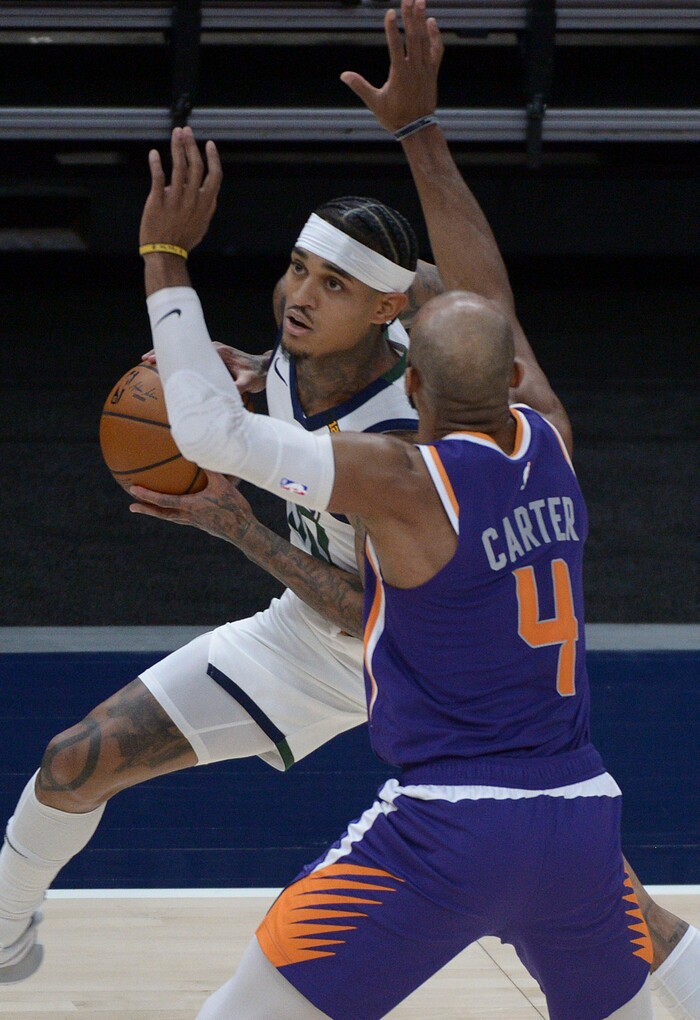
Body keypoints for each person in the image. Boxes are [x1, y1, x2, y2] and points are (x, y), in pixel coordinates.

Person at [0, 4, 696, 1015]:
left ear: (393, 325)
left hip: (389, 645)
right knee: (78, 758)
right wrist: (418, 135)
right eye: (297, 271)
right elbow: (481, 290)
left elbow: (347, 592)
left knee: (601, 896)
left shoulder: (405, 457)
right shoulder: (495, 398)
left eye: (331, 283)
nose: (298, 296)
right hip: (453, 705)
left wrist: (231, 518)